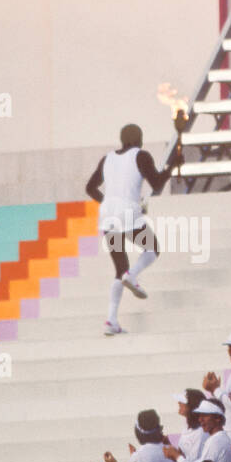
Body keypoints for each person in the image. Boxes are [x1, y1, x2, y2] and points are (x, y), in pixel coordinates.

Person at [85, 123, 181, 336]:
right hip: (128, 212)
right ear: (138, 139)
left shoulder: (107, 158)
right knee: (152, 248)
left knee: (119, 269)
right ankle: (133, 274)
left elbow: (90, 188)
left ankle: (111, 321)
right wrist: (170, 169)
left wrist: (108, 201)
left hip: (108, 215)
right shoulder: (141, 155)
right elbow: (156, 184)